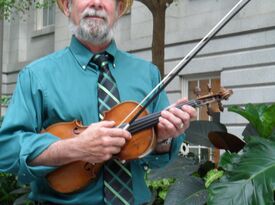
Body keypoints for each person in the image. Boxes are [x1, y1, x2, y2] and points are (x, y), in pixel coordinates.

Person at [0, 0, 196, 204]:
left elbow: (159, 160)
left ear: (119, 9)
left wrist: (163, 138)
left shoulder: (148, 74)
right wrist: (75, 147)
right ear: (67, 6)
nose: (96, 3)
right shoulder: (36, 76)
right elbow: (7, 151)